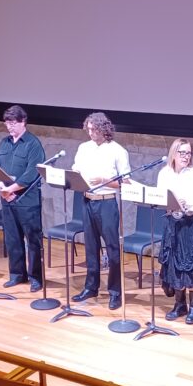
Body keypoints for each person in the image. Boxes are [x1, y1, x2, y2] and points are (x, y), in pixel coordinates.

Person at [71, 113, 131, 310]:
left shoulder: (117, 151)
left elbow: (126, 182)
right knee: (90, 247)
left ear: (104, 129)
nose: (90, 133)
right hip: (87, 201)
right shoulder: (83, 148)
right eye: (88, 129)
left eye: (94, 129)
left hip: (106, 203)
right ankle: (91, 287)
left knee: (113, 249)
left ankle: (115, 291)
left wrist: (105, 180)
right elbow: (76, 170)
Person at [156, 138, 193, 324]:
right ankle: (180, 305)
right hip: (173, 224)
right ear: (174, 153)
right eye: (183, 153)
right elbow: (160, 196)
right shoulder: (165, 173)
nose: (186, 157)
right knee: (175, 265)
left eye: (189, 153)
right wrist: (168, 204)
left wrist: (186, 205)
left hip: (192, 224)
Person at [0, 105, 46, 291]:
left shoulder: (33, 144)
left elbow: (32, 172)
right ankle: (17, 275)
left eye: (13, 123)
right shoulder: (4, 143)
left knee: (33, 240)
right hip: (7, 201)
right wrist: (1, 187)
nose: (9, 127)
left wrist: (11, 189)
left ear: (23, 121)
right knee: (12, 239)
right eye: (7, 123)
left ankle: (36, 278)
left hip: (27, 202)